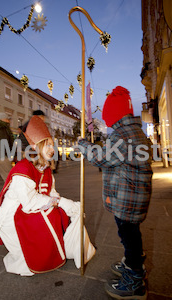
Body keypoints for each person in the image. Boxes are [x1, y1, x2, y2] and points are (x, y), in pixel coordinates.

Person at [0, 115, 95, 276]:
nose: (52, 150)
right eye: (46, 145)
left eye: (52, 145)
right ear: (35, 147)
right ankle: (40, 255)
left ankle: (53, 249)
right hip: (11, 219)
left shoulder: (45, 168)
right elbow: (30, 202)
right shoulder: (23, 169)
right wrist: (62, 202)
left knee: (57, 212)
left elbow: (51, 193)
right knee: (50, 213)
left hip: (26, 212)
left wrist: (68, 206)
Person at [78, 86, 152, 299]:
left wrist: (84, 145)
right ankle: (132, 262)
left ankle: (135, 278)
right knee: (131, 234)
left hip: (128, 197)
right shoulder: (133, 130)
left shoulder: (122, 135)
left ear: (114, 114)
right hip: (133, 195)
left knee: (128, 235)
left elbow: (101, 158)